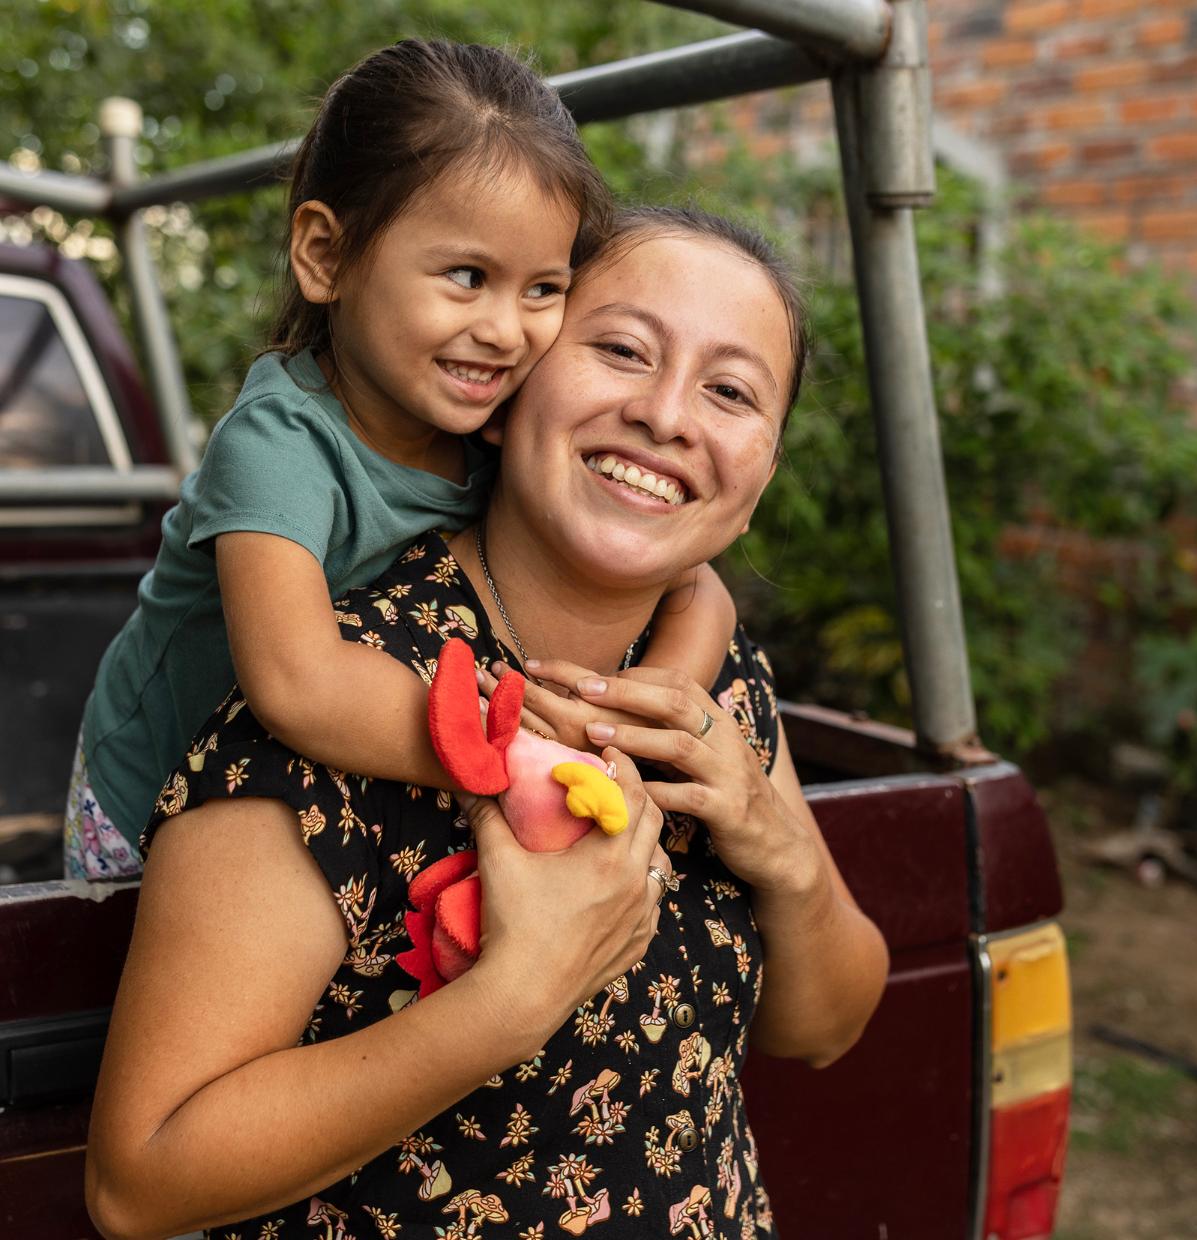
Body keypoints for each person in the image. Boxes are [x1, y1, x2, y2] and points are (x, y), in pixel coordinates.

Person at [85, 207, 889, 1240]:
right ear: (508, 395)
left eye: (729, 391)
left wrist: (781, 852)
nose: (666, 415)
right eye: (621, 352)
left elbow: (824, 1026)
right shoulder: (353, 700)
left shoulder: (714, 684)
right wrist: (508, 1002)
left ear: (759, 475)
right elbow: (140, 1180)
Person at [64, 39, 736, 881]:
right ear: (325, 256)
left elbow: (697, 586)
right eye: (466, 276)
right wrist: (518, 749)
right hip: (149, 796)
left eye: (542, 289)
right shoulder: (280, 442)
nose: (505, 329)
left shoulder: (501, 420)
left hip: (337, 785)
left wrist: (617, 729)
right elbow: (298, 682)